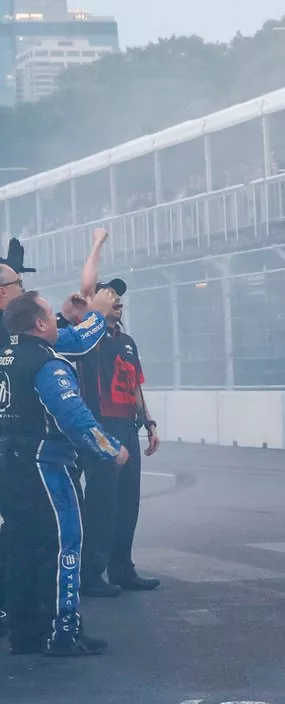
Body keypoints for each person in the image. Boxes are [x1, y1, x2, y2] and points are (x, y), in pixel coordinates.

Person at [0, 234, 115, 641]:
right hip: (37, 459)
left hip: (9, 456)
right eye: (19, 287)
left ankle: (21, 627)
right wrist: (96, 315)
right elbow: (73, 410)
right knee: (59, 540)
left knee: (17, 543)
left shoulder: (11, 336)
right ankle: (61, 631)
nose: (25, 291)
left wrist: (62, 318)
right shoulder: (37, 353)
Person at [75, 278, 161, 597]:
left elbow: (136, 384)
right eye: (110, 295)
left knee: (128, 503)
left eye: (120, 296)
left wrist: (149, 420)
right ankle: (92, 574)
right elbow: (85, 291)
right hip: (100, 427)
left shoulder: (127, 341)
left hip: (128, 425)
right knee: (102, 503)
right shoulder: (87, 338)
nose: (118, 300)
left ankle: (122, 568)